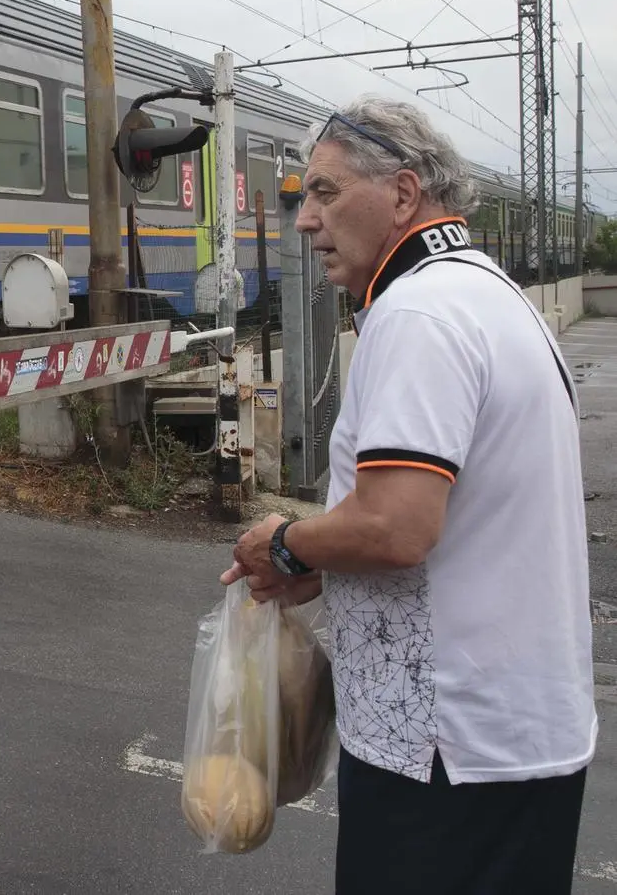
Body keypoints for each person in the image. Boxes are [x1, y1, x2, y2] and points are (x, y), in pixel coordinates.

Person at [221, 96, 597, 895]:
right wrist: (330, 563)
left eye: (324, 192)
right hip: (514, 736)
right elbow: (465, 521)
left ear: (401, 193)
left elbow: (396, 526)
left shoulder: (417, 311)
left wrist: (283, 540)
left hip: (444, 752)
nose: (304, 220)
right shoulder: (491, 296)